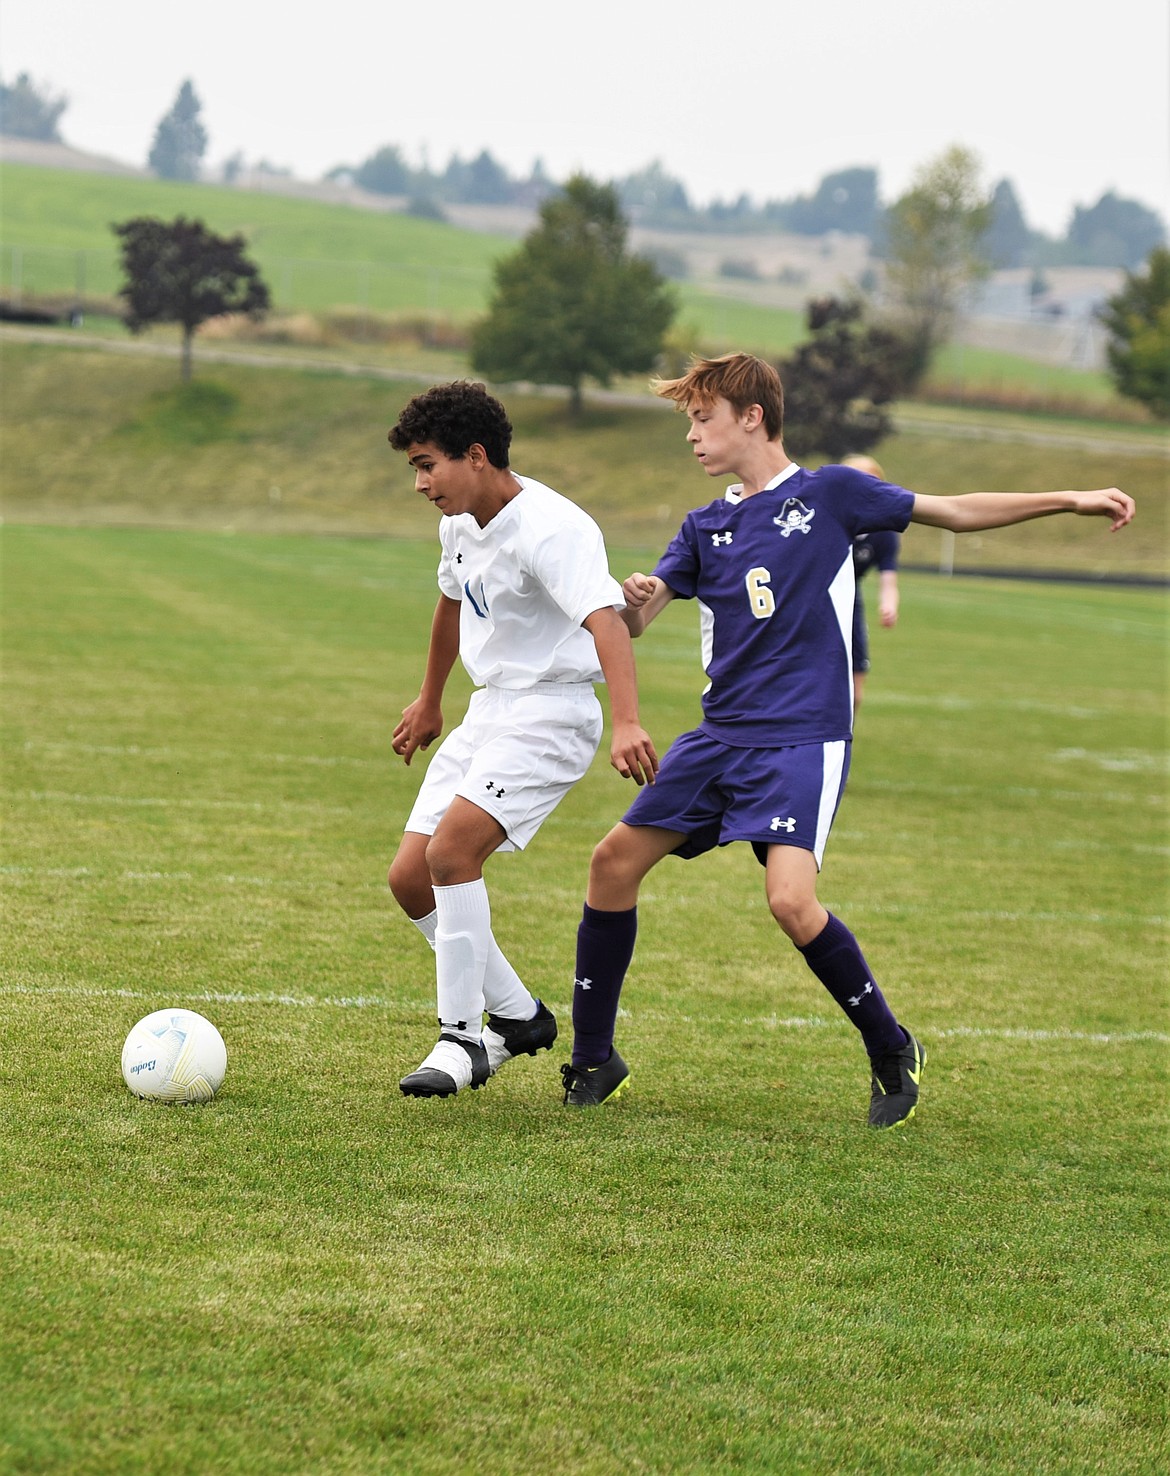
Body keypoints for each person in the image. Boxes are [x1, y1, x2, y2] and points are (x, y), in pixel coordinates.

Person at [563, 352, 1134, 1128]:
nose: (692, 437)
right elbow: (636, 622)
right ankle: (594, 1060)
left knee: (791, 903)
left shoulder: (832, 492)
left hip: (802, 738)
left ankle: (891, 1046)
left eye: (703, 419)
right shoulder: (706, 525)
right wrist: (632, 597)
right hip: (720, 736)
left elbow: (954, 511)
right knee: (610, 864)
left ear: (752, 417)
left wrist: (1068, 498)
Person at [386, 381, 658, 1099]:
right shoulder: (458, 522)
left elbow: (607, 623)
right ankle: (517, 1016)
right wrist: (429, 699)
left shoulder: (552, 526)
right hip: (490, 711)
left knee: (453, 853)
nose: (419, 484)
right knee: (410, 879)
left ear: (476, 456)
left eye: (427, 465)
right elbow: (450, 605)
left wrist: (627, 721)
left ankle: (461, 1038)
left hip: (552, 713)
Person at [842, 454, 901, 713]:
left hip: (849, 599)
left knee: (854, 695)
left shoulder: (884, 531)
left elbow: (888, 578)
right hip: (808, 599)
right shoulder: (822, 519)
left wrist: (889, 605)